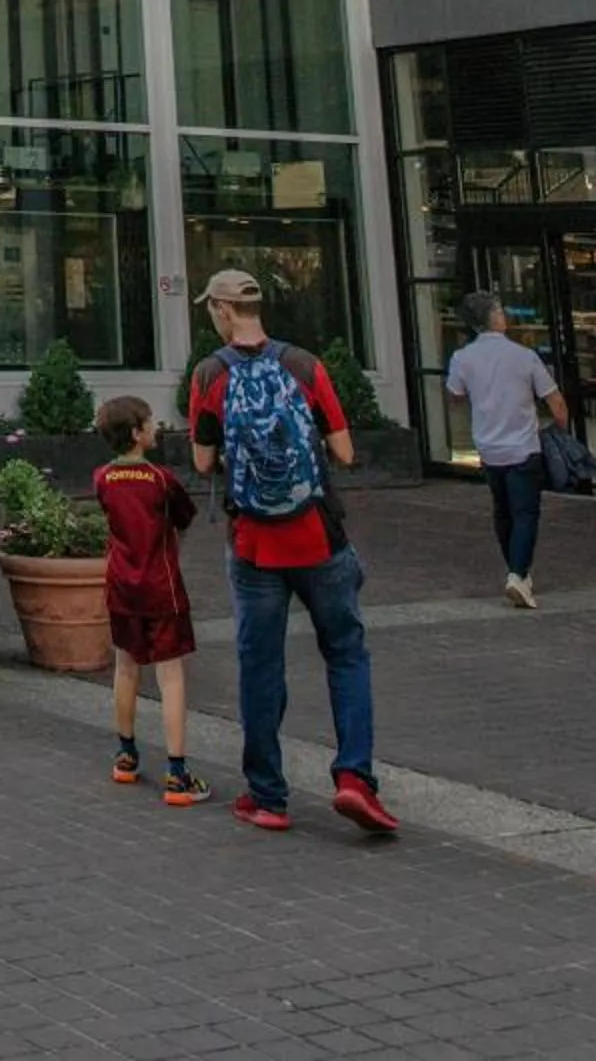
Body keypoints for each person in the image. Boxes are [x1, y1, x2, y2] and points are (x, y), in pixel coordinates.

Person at [189, 267, 398, 839]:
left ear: (223, 311)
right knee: (346, 654)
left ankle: (267, 796)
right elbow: (346, 451)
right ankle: (354, 777)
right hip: (318, 537)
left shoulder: (210, 374)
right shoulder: (304, 365)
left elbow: (204, 464)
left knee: (260, 666)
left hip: (254, 544)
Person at [94, 393, 210, 806]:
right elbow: (184, 518)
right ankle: (177, 773)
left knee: (126, 667)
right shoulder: (162, 480)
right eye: (151, 422)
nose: (156, 427)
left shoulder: (102, 478)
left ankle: (126, 754)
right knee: (171, 675)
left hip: (121, 586)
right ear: (137, 433)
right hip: (162, 588)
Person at [446, 292, 570, 608]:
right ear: (494, 317)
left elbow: (455, 397)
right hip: (523, 446)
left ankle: (517, 571)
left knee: (502, 511)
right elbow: (554, 401)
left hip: (488, 446)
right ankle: (518, 573)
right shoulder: (524, 356)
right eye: (500, 311)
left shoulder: (462, 359)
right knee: (526, 511)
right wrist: (561, 429)